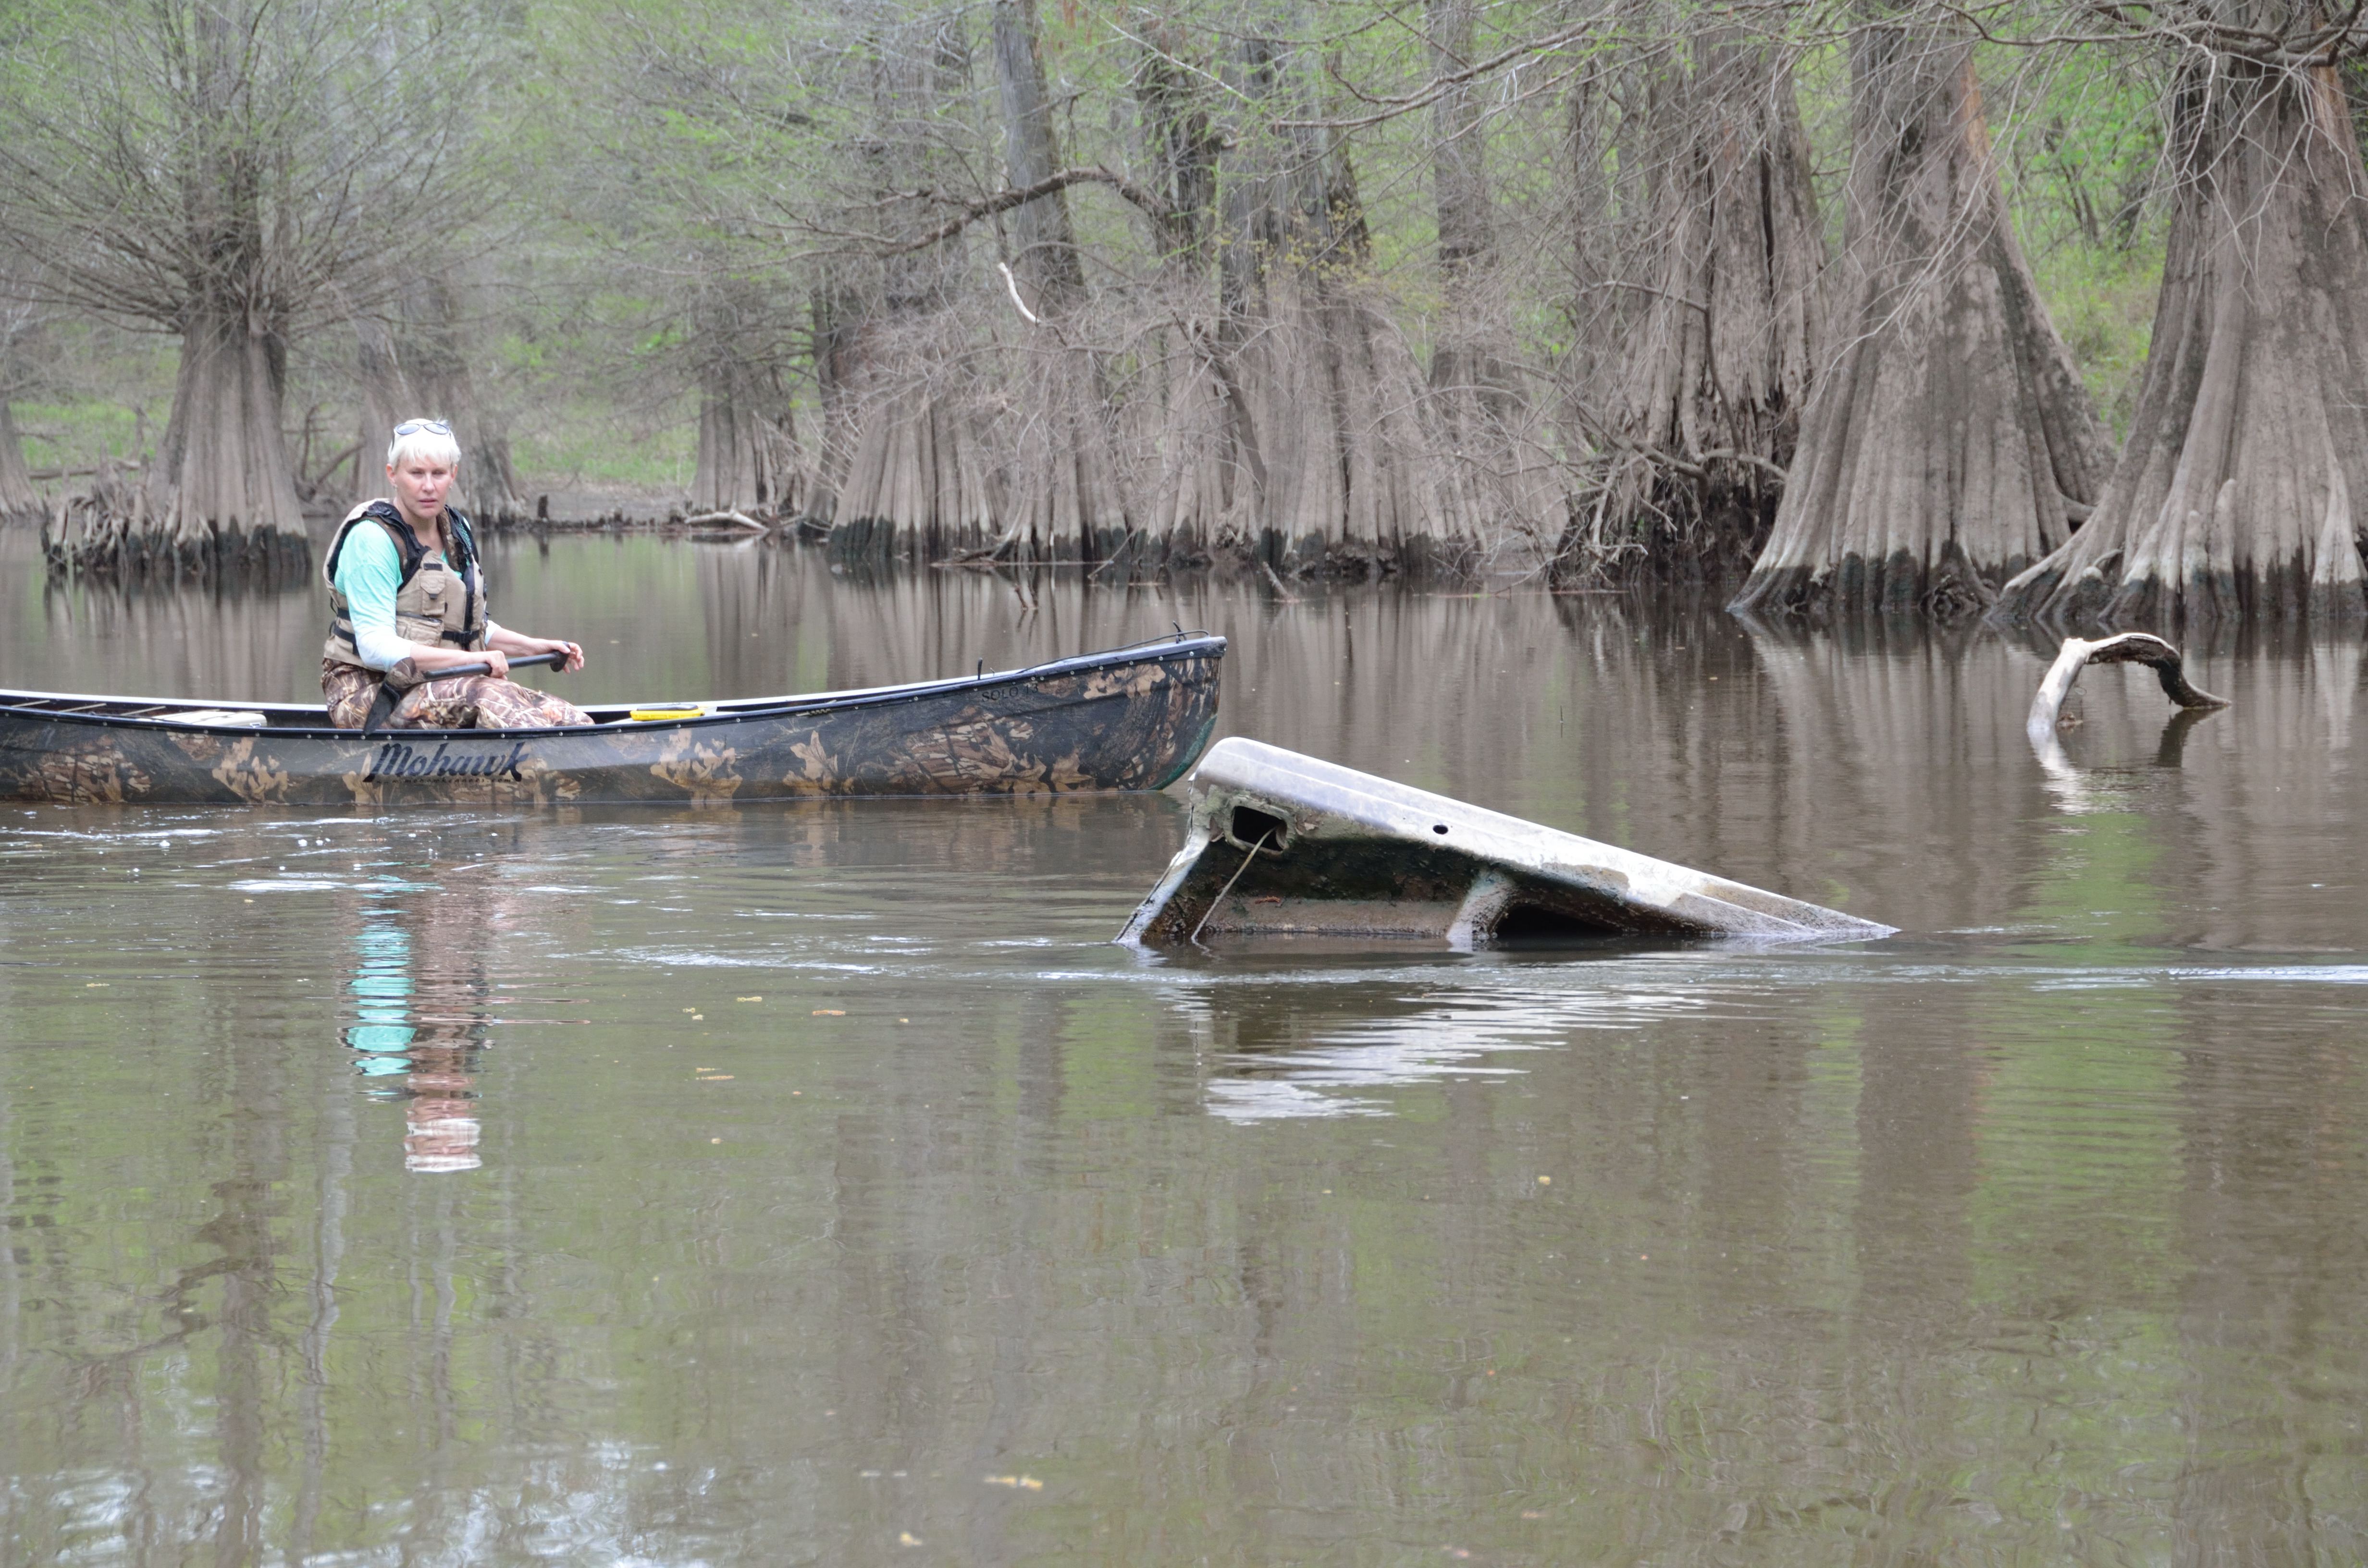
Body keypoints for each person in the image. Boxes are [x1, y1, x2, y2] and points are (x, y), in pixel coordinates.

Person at [321, 417, 592, 730]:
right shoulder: (372, 541)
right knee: (489, 695)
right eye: (416, 474)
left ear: (453, 475)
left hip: (446, 685)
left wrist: (536, 647)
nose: (428, 486)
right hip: (369, 694)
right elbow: (375, 647)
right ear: (392, 475)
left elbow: (471, 629)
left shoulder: (457, 532)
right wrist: (473, 663)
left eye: (438, 473)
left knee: (566, 717)